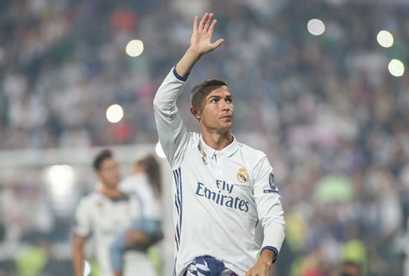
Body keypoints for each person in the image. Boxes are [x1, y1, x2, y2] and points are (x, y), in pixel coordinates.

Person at [153, 12, 286, 276]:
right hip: (195, 269)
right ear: (196, 112)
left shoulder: (254, 159)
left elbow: (273, 217)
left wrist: (266, 259)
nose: (226, 105)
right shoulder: (182, 149)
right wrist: (193, 53)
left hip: (241, 271)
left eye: (229, 99)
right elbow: (161, 103)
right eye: (215, 100)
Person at [72, 149, 156, 276]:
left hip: (143, 270)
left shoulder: (134, 197)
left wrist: (143, 237)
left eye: (116, 167)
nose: (115, 172)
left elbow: (156, 230)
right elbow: (78, 245)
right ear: (98, 174)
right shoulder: (89, 205)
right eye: (109, 169)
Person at [110, 153, 164, 276]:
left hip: (143, 222)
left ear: (142, 167)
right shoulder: (153, 183)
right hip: (156, 224)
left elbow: (117, 190)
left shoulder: (138, 178)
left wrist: (100, 189)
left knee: (114, 248)